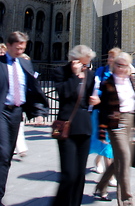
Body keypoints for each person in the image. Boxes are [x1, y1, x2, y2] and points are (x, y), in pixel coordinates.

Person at [0, 31, 49, 206]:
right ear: (9, 46)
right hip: (1, 112)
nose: (20, 50)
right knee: (3, 152)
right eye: (18, 47)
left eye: (23, 48)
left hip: (16, 113)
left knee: (6, 158)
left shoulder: (24, 64)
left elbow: (32, 88)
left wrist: (38, 112)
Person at [95, 52, 135, 205]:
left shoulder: (128, 80)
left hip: (129, 121)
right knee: (124, 158)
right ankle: (126, 200)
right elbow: (103, 108)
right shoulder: (108, 83)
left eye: (124, 65)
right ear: (113, 65)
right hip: (115, 123)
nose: (121, 68)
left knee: (120, 158)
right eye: (118, 65)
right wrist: (102, 131)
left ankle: (101, 185)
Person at [52, 44, 99, 206]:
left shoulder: (90, 75)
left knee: (79, 174)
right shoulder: (61, 73)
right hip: (66, 128)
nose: (86, 67)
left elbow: (92, 100)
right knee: (69, 174)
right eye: (83, 64)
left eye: (88, 64)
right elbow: (63, 94)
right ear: (74, 61)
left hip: (84, 128)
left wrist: (97, 101)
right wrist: (73, 76)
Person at [90, 47, 121, 175]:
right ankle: (110, 176)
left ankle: (98, 161)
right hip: (101, 112)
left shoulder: (120, 73)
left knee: (108, 144)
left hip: (115, 113)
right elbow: (95, 88)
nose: (109, 59)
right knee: (107, 143)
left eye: (112, 57)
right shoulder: (101, 71)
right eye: (109, 56)